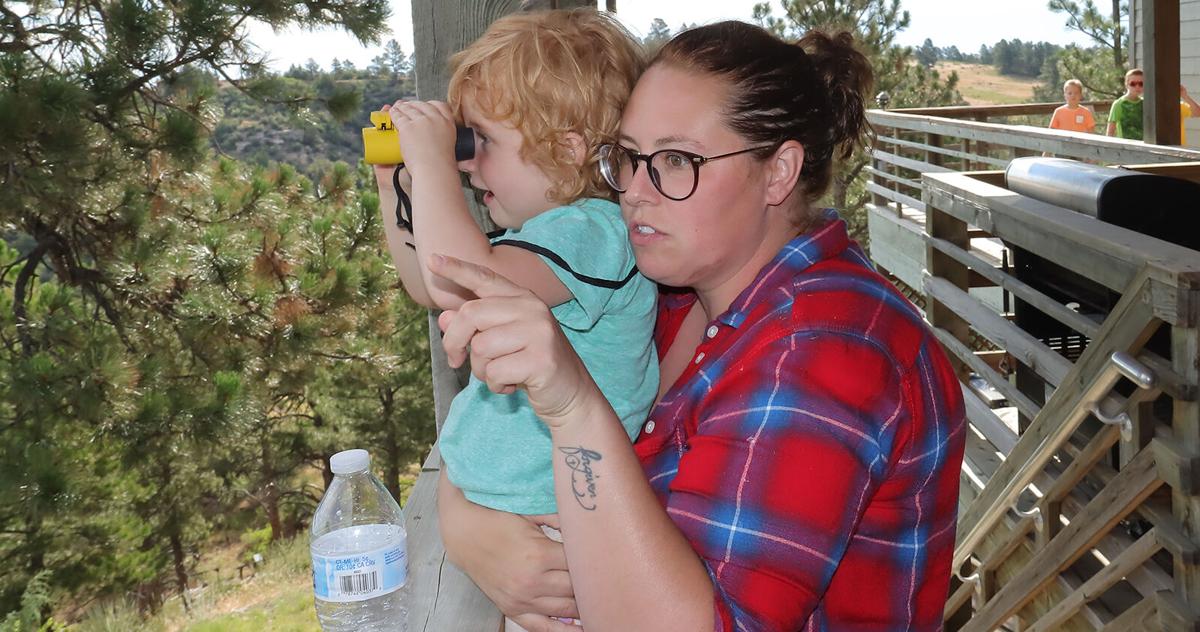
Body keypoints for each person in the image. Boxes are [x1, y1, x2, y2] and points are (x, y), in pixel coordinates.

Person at [434, 20, 967, 631]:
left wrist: (574, 408)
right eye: (629, 158)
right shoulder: (676, 298)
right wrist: (467, 526)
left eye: (676, 160)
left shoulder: (825, 357)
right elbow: (498, 442)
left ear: (778, 172)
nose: (634, 190)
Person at [371, 12, 657, 629]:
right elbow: (431, 284)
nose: (469, 165)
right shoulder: (532, 240)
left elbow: (457, 278)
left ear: (569, 149)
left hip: (554, 527)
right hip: (512, 513)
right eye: (462, 148)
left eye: (481, 143)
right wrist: (396, 185)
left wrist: (433, 168)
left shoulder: (593, 232)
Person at [1108, 68, 1144, 139]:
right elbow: (1110, 131)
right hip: (1125, 146)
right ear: (1126, 84)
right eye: (1133, 84)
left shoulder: (1144, 103)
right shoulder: (1119, 104)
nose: (1137, 87)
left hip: (1143, 146)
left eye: (1141, 84)